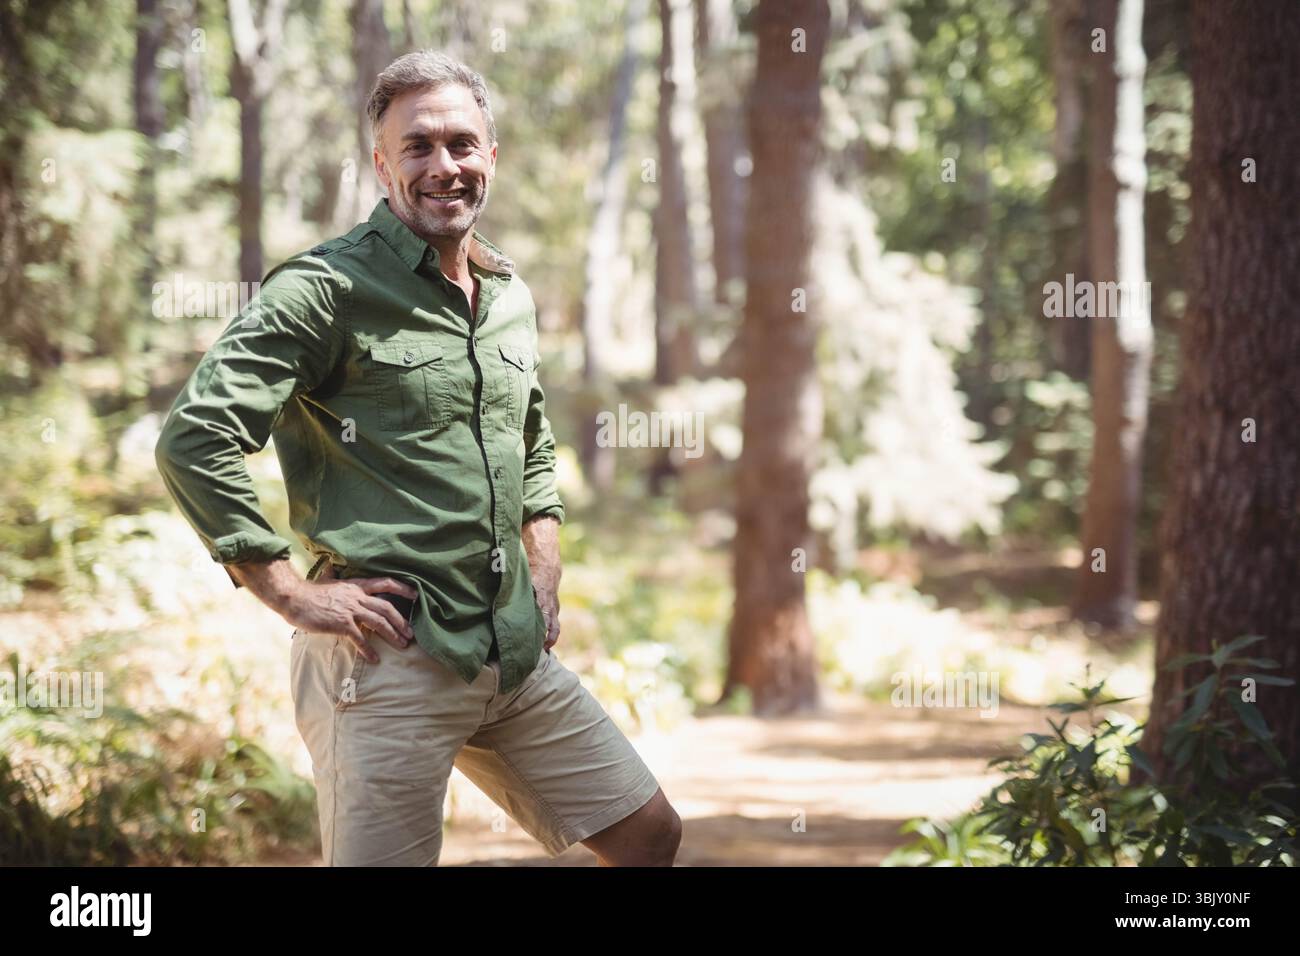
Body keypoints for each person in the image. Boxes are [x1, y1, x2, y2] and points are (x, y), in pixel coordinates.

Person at [155, 50, 681, 867]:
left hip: (507, 648)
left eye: (463, 145)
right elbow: (196, 436)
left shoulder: (506, 296)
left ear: (491, 157)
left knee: (648, 833)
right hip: (385, 660)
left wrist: (543, 561)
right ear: (382, 163)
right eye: (419, 147)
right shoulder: (324, 289)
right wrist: (290, 593)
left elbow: (531, 438)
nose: (446, 166)